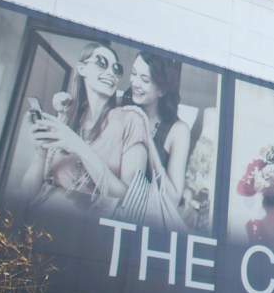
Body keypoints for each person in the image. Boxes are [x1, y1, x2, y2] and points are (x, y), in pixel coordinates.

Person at [21, 42, 149, 214]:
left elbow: (132, 199)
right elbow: (28, 196)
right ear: (82, 69)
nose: (111, 73)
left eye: (116, 69)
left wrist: (78, 146)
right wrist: (40, 154)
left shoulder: (131, 120)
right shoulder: (68, 119)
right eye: (102, 63)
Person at [125, 51, 192, 209]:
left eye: (145, 79)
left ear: (161, 90)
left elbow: (173, 199)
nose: (135, 83)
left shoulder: (178, 131)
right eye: (133, 73)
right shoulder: (122, 109)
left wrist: (147, 138)